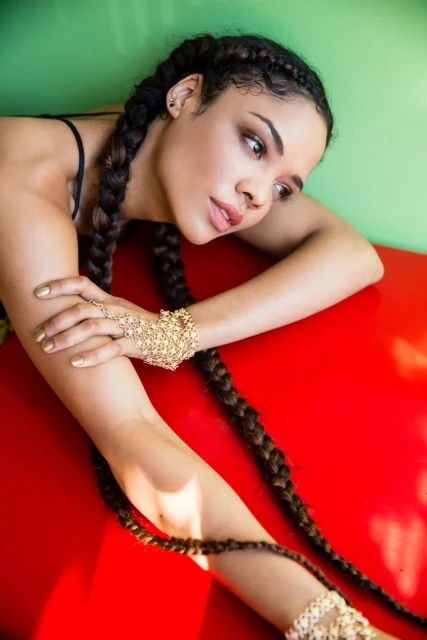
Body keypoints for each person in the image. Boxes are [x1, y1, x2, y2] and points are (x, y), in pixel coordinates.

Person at [1, 31, 419, 638]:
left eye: (283, 188)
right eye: (254, 144)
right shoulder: (22, 178)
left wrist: (174, 332)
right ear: (185, 95)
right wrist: (333, 628)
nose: (259, 196)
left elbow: (354, 257)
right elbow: (133, 437)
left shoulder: (149, 144)